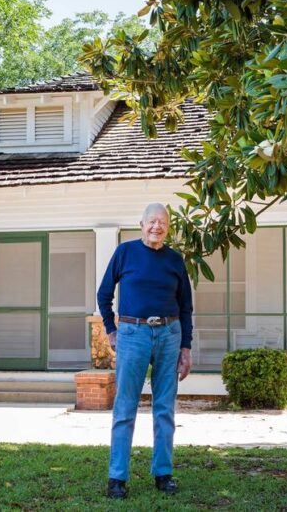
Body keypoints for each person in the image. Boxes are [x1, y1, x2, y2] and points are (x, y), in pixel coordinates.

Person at [97, 202, 193, 499]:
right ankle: (117, 478)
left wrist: (186, 347)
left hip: (169, 333)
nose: (156, 227)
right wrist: (112, 330)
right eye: (151, 221)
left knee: (164, 407)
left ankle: (163, 474)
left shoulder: (175, 260)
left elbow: (186, 307)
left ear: (168, 227)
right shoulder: (125, 252)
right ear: (141, 224)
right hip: (133, 333)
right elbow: (104, 294)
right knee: (125, 406)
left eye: (162, 222)